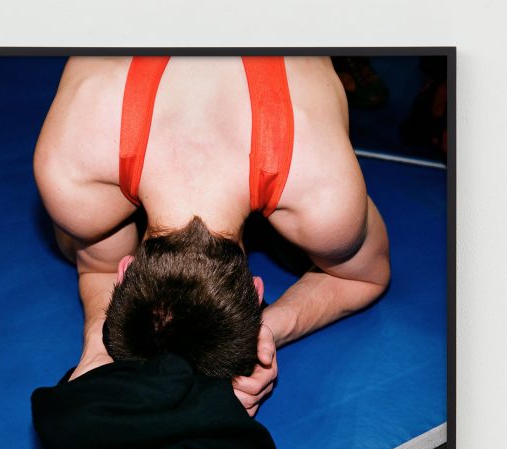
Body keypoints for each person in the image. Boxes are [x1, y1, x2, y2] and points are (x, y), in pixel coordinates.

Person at [33, 55, 391, 416]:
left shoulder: (322, 189)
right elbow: (99, 270)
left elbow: (367, 278)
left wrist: (265, 333)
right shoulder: (71, 169)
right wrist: (97, 347)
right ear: (257, 290)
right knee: (76, 229)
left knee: (79, 231)